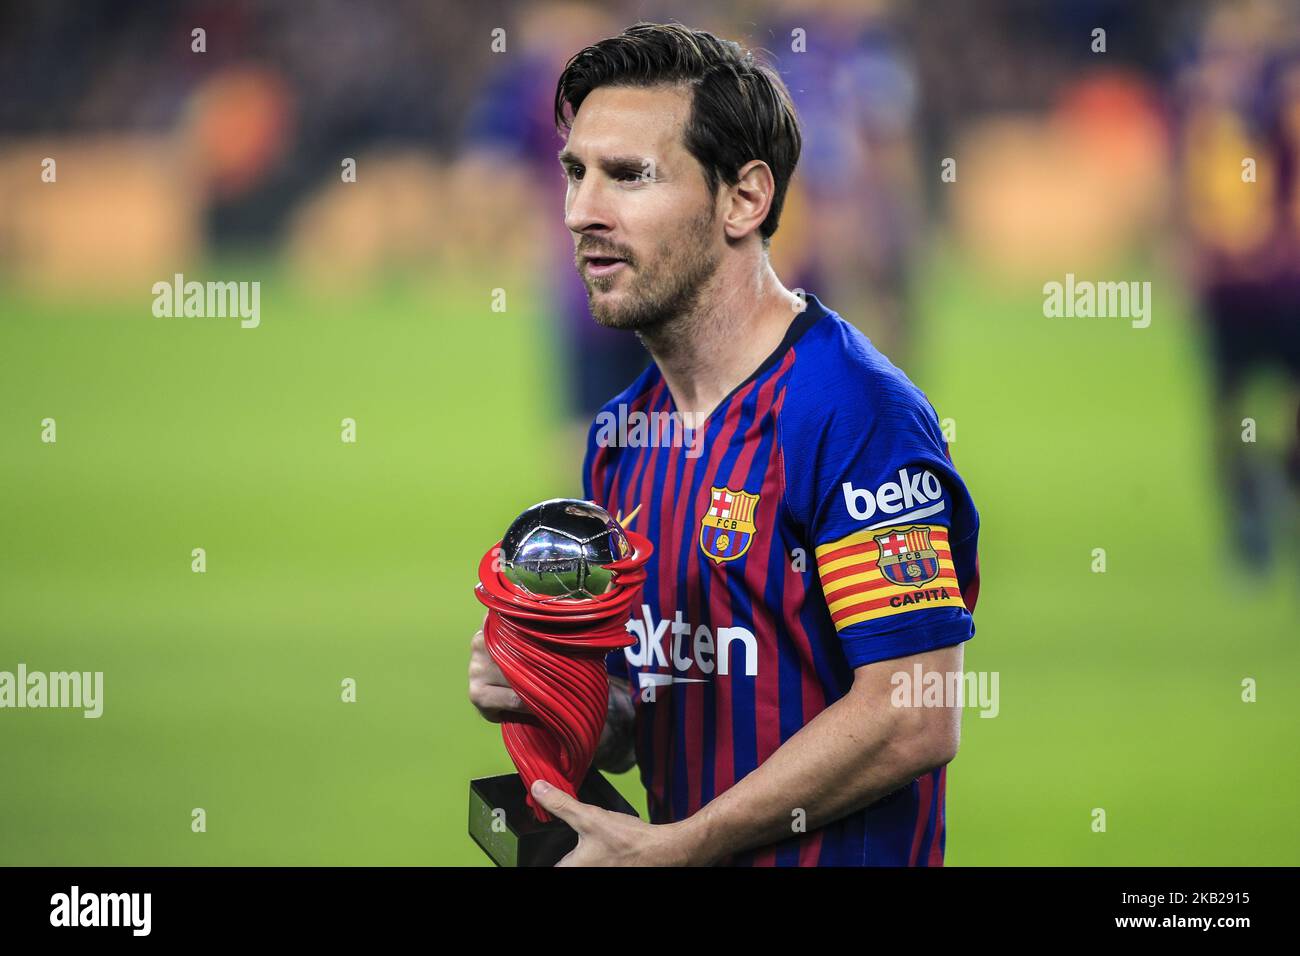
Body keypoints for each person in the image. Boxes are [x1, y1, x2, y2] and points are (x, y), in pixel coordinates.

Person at [468, 21, 981, 866]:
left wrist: (683, 845)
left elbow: (913, 712)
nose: (582, 212)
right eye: (574, 172)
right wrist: (557, 696)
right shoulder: (621, 437)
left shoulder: (848, 411)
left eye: (629, 176)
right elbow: (659, 713)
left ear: (745, 198)